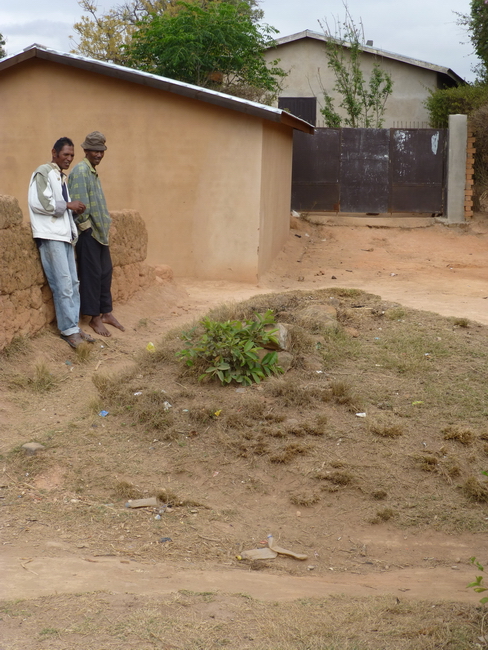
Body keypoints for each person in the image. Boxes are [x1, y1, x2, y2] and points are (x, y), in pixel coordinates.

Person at [28, 137, 94, 349]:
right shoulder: (43, 172)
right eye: (65, 154)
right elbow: (38, 202)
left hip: (64, 236)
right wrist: (68, 204)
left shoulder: (60, 177)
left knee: (73, 284)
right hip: (50, 236)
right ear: (54, 152)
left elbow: (60, 207)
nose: (69, 158)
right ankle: (67, 330)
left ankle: (73, 326)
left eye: (72, 155)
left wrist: (72, 210)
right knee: (63, 284)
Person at [68, 131, 125, 337]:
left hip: (100, 232)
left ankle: (106, 312)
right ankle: (94, 318)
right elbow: (80, 207)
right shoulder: (82, 171)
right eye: (94, 151)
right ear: (85, 151)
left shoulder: (91, 170)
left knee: (105, 273)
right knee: (91, 276)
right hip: (89, 233)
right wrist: (87, 229)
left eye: (101, 151)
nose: (99, 154)